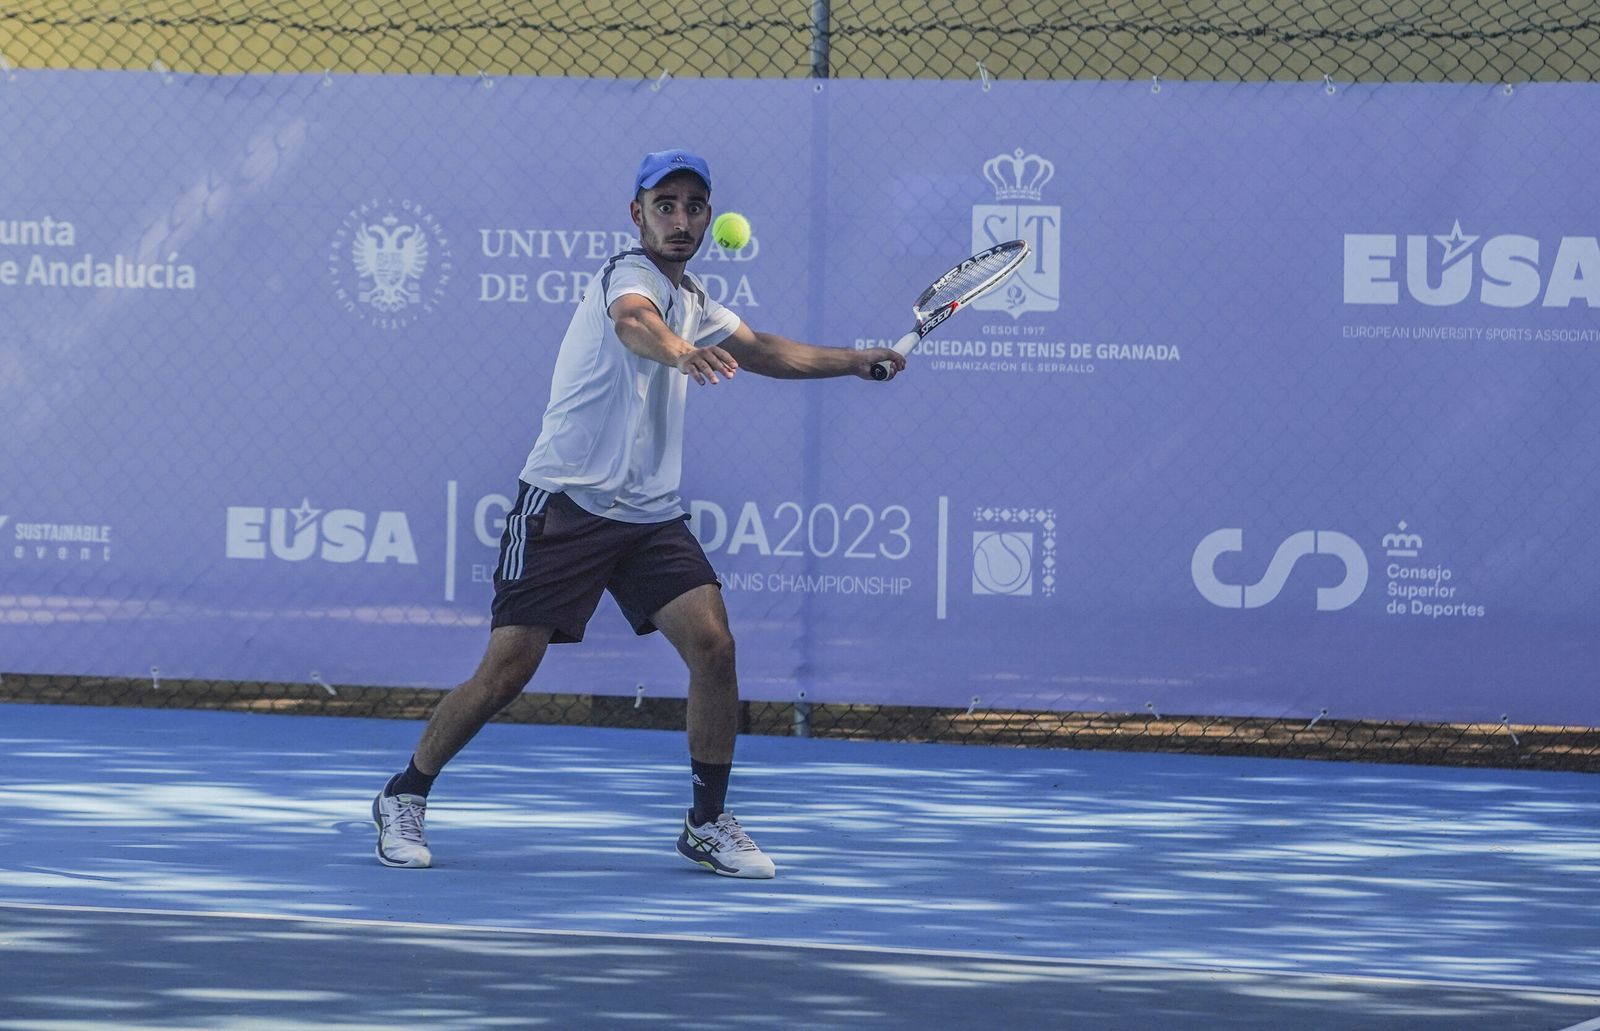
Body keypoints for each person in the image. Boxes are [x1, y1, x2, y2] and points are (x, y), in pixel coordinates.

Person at [372, 149, 907, 879]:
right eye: (665, 205)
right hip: (564, 500)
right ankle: (405, 792)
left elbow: (762, 349)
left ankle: (707, 820)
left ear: (708, 218)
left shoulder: (697, 301)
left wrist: (852, 359)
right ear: (638, 214)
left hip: (648, 515)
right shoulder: (628, 276)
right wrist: (679, 350)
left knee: (714, 647)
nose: (680, 219)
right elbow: (633, 323)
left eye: (693, 206)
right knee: (505, 672)